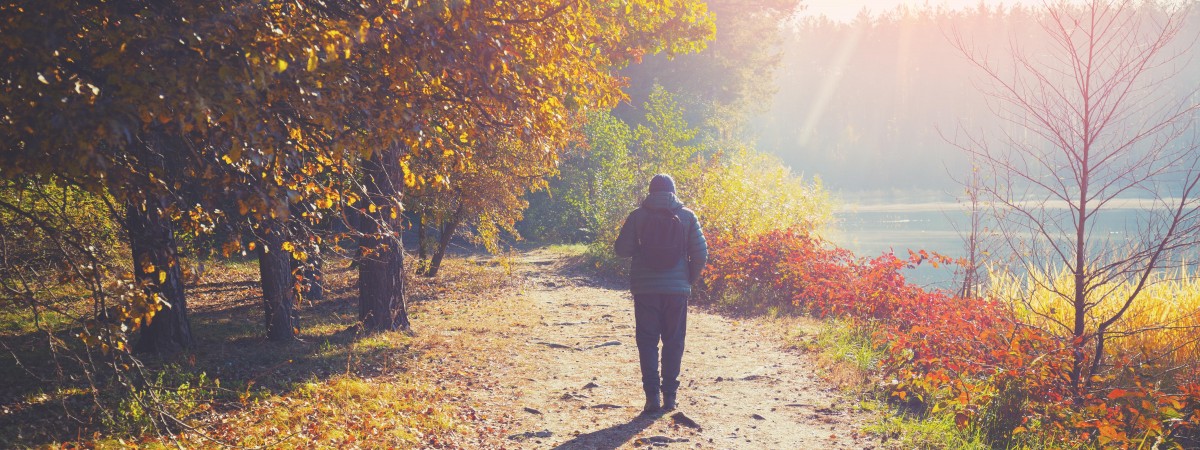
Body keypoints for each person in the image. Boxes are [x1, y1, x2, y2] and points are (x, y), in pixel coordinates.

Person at [614, 173, 708, 413]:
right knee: (673, 340)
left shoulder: (638, 216)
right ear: (673, 192)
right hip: (676, 291)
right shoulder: (687, 216)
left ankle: (651, 398)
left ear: (651, 191)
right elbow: (700, 255)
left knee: (647, 341)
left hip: (645, 289)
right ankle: (670, 397)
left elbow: (621, 250)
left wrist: (640, 247)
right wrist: (688, 279)